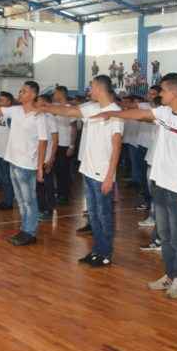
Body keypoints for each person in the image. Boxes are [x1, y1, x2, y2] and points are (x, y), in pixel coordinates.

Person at [96, 73, 177, 297]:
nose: (159, 94)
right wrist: (114, 113)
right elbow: (139, 113)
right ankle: (169, 275)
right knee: (164, 234)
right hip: (160, 182)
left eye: (162, 91)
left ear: (174, 92)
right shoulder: (163, 112)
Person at [39, 75, 124, 267]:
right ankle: (96, 250)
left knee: (104, 215)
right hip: (88, 169)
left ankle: (105, 254)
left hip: (102, 174)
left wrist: (110, 176)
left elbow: (117, 146)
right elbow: (69, 112)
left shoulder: (115, 113)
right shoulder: (92, 107)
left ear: (100, 89)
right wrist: (45, 107)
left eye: (91, 86)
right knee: (93, 215)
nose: (89, 90)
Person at [0, 81, 48, 246]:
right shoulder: (16, 110)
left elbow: (43, 142)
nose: (20, 94)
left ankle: (30, 232)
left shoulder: (39, 116)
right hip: (13, 160)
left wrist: (40, 166)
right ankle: (24, 228)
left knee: (29, 200)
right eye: (20, 91)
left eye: (24, 91)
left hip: (27, 164)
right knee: (20, 199)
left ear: (33, 95)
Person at [52, 86, 77, 205]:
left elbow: (73, 127)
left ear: (61, 93)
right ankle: (60, 192)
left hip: (65, 144)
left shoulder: (69, 108)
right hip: (55, 143)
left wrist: (72, 145)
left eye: (55, 93)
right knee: (57, 170)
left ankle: (65, 195)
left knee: (64, 171)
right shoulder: (55, 107)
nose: (53, 95)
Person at [36, 94, 59, 221]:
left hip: (46, 159)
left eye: (38, 101)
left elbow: (55, 140)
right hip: (38, 158)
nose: (36, 103)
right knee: (39, 187)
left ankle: (49, 210)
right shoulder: (37, 116)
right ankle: (41, 208)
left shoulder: (50, 118)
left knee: (47, 186)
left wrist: (51, 159)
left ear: (45, 104)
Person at [0, 91, 15, 211]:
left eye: (2, 100)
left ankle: (9, 201)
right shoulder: (0, 114)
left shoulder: (11, 116)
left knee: (7, 178)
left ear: (9, 102)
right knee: (2, 178)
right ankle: (6, 199)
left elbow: (14, 134)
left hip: (6, 151)